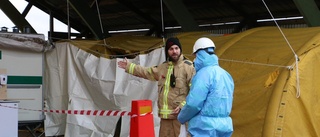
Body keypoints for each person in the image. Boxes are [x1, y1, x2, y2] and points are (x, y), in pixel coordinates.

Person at [118, 37, 195, 137]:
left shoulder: (188, 67)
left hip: (181, 118)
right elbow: (147, 72)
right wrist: (130, 66)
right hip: (165, 120)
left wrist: (183, 105)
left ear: (180, 49)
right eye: (171, 49)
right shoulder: (162, 67)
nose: (174, 51)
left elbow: (195, 91)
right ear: (167, 51)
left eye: (176, 48)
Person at [177, 37, 235, 137]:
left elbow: (193, 104)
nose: (194, 59)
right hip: (224, 127)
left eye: (195, 55)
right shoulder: (226, 75)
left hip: (204, 128)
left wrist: (182, 117)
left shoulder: (202, 75)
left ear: (199, 54)